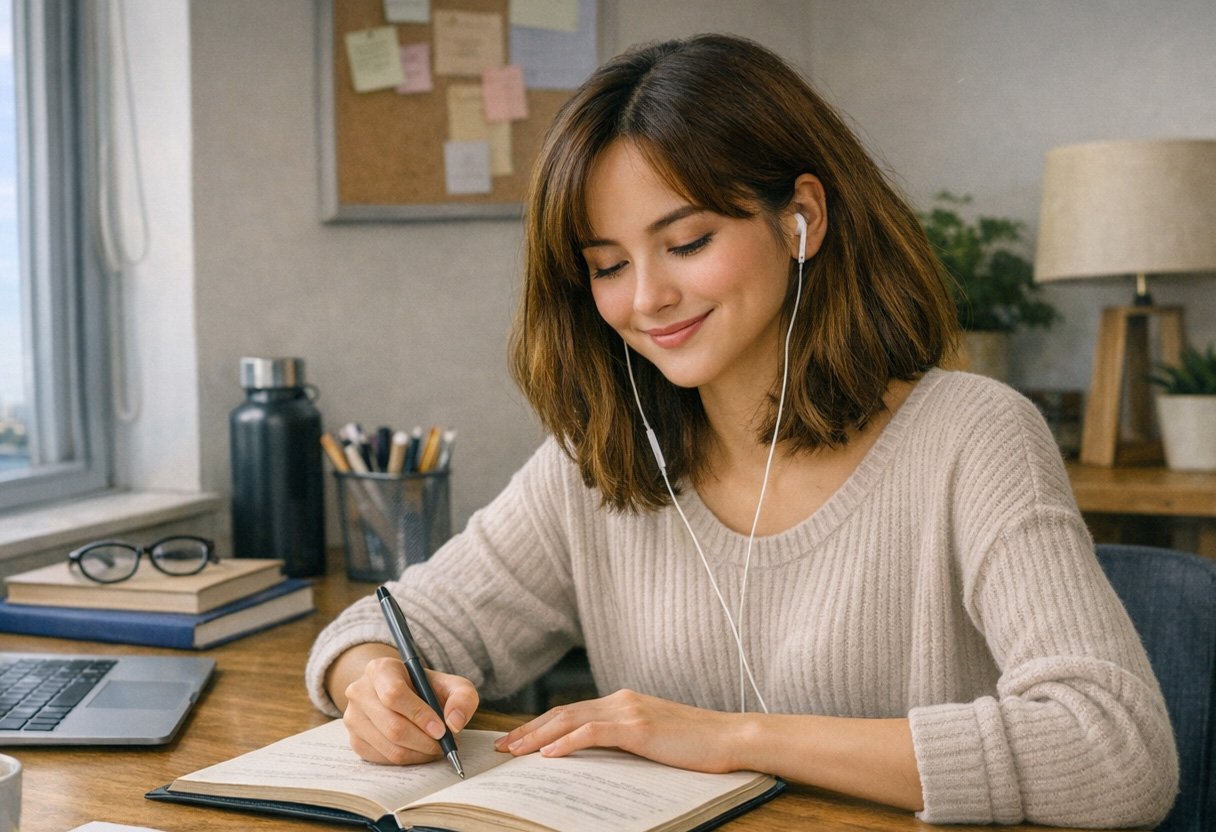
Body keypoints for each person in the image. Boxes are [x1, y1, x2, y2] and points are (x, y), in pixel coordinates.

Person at [306, 34, 1177, 827]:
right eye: (607, 265)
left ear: (802, 218)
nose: (645, 298)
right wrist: (374, 683)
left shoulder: (974, 438)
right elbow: (385, 628)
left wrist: (734, 738)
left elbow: (1114, 751)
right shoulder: (602, 458)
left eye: (685, 243)